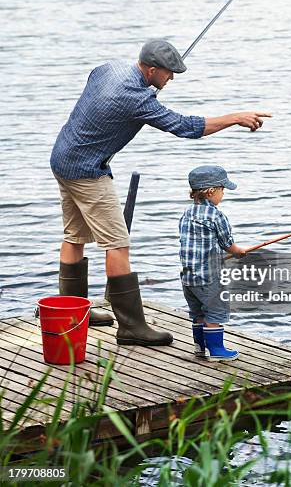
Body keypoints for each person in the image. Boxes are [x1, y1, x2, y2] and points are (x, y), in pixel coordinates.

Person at [50, 39, 271, 347]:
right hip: (87, 172)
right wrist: (234, 118)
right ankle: (130, 327)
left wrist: (144, 94)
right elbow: (185, 126)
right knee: (117, 244)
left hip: (62, 158)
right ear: (152, 70)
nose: (172, 79)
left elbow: (105, 92)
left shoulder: (109, 70)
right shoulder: (137, 99)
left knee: (74, 236)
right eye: (169, 73)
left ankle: (74, 314)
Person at [179, 165, 247, 361]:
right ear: (211, 191)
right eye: (222, 190)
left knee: (198, 312)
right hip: (209, 276)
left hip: (188, 277)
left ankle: (200, 347)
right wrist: (239, 252)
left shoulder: (187, 213)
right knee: (215, 312)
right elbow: (228, 244)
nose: (223, 194)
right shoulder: (216, 215)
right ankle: (216, 350)